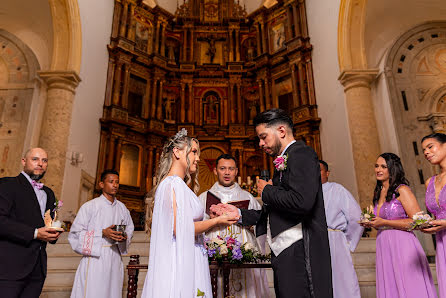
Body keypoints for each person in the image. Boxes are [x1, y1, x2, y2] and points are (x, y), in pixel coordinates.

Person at [214, 109, 333, 298]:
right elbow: (274, 211)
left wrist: (267, 190)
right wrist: (238, 214)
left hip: (300, 250)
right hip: (285, 250)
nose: (260, 144)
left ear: (281, 131)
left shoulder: (301, 153)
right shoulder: (283, 160)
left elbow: (302, 202)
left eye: (263, 137)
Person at [141, 129, 239, 298]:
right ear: (177, 152)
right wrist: (216, 222)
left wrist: (213, 220)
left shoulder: (180, 186)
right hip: (178, 257)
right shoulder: (171, 184)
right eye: (194, 152)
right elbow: (179, 229)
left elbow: (188, 225)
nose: (198, 158)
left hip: (193, 254)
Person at [360, 153, 436, 298]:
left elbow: (418, 222)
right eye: (376, 166)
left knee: (410, 285)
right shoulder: (378, 191)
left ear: (392, 169)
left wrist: (385, 222)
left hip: (403, 243)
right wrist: (372, 222)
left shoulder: (402, 190)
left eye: (383, 166)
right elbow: (381, 223)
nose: (378, 169)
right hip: (383, 243)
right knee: (391, 285)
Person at [198, 154, 269, 298]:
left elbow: (260, 223)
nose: (227, 172)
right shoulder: (204, 197)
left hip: (243, 253)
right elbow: (197, 225)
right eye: (222, 168)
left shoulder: (248, 197)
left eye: (231, 169)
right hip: (215, 252)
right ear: (215, 171)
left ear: (236, 171)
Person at [0, 148, 62, 297]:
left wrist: (54, 232)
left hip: (37, 269)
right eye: (35, 159)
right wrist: (34, 233)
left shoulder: (48, 193)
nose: (40, 164)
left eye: (44, 160)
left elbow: (48, 223)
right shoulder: (8, 185)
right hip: (10, 268)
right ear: (23, 161)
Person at [68, 169, 134, 298]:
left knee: (112, 292)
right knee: (93, 292)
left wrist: (123, 237)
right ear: (101, 184)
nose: (115, 185)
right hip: (95, 259)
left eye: (117, 182)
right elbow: (75, 235)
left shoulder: (122, 208)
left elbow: (129, 230)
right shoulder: (90, 206)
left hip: (115, 257)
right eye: (111, 182)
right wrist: (102, 233)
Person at [319, 160, 363, 298]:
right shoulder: (306, 192)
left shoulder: (337, 190)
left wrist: (348, 241)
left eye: (318, 170)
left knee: (342, 280)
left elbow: (356, 217)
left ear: (327, 173)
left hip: (334, 239)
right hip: (313, 240)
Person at [421, 133, 446, 298]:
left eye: (430, 147)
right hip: (442, 240)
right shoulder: (429, 181)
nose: (426, 152)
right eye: (424, 150)